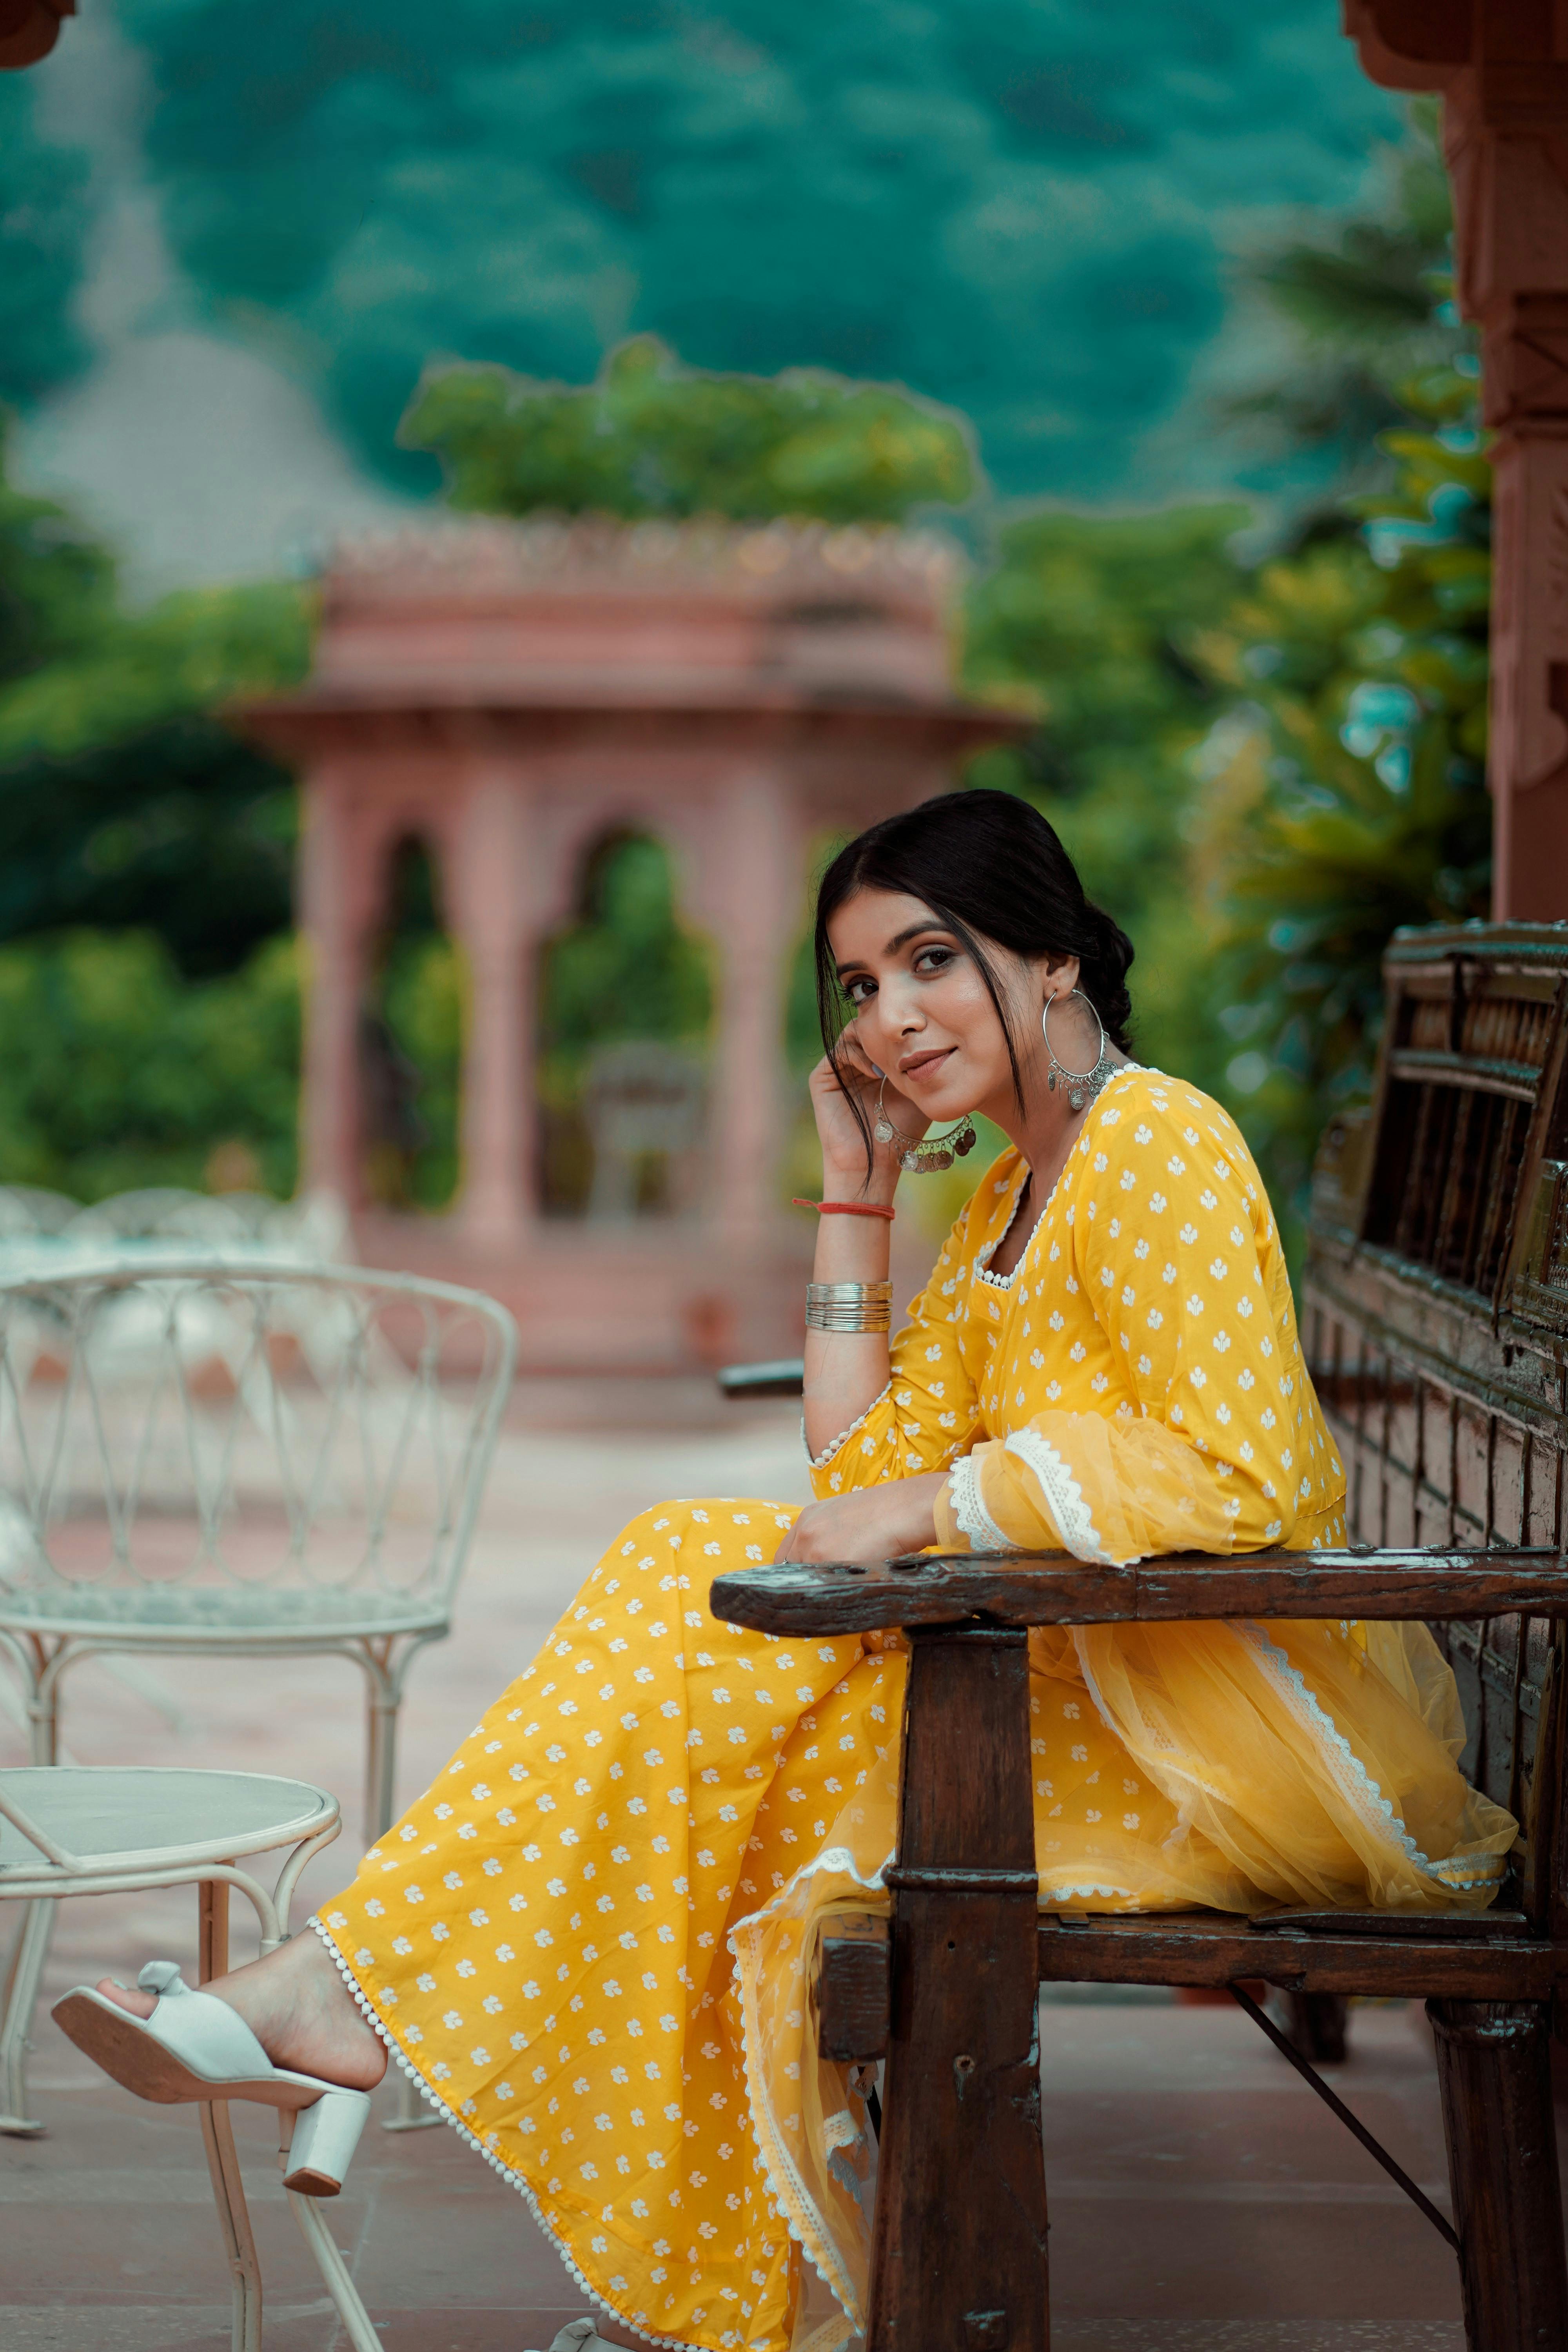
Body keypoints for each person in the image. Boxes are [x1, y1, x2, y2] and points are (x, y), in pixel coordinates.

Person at [56, 791, 1515, 2352]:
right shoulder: (1012, 1198)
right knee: (689, 1620)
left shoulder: (1156, 1144)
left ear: (1054, 958)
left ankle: (374, 2024)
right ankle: (379, 2031)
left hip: (1210, 1740)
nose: (891, 1020)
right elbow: (850, 1479)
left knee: (720, 1721)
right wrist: (858, 1188)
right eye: (861, 988)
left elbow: (1234, 1472)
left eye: (931, 960)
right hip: (1073, 1680)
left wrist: (942, 1502)